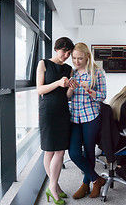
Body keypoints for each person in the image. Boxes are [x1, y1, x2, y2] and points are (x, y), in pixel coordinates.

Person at [36, 37, 74, 205]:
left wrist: (71, 89)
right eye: (64, 51)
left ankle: (53, 186)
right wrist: (58, 83)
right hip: (48, 111)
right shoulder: (43, 64)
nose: (66, 55)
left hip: (63, 110)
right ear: (56, 49)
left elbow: (66, 96)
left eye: (69, 53)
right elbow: (40, 90)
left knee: (60, 151)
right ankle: (54, 187)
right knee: (49, 150)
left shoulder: (69, 68)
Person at [67, 42, 107, 199]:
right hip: (74, 117)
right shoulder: (72, 72)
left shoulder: (97, 72)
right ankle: (97, 180)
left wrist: (88, 89)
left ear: (87, 57)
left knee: (89, 152)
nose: (77, 61)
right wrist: (71, 88)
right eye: (74, 58)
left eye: (80, 58)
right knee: (74, 153)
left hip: (91, 116)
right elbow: (68, 97)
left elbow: (102, 96)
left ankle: (85, 185)